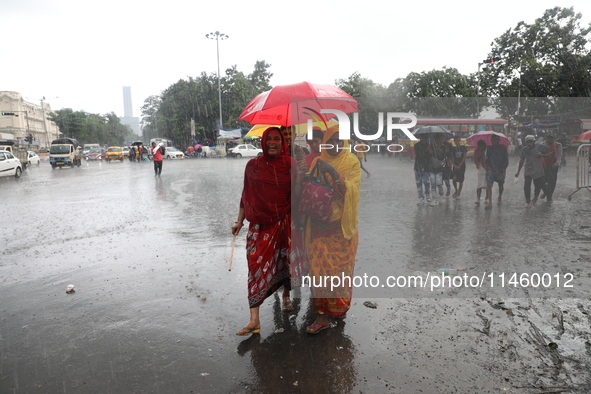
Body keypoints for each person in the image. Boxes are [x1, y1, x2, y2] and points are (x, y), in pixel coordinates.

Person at [231, 127, 303, 336]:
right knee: (255, 267)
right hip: (259, 225)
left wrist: (301, 170)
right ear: (263, 142)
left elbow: (298, 195)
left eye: (276, 139)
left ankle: (286, 296)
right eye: (268, 139)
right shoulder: (253, 166)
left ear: (283, 143)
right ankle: (254, 320)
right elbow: (247, 195)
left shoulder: (291, 164)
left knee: (286, 261)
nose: (272, 142)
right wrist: (239, 220)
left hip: (285, 223)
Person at [304, 125, 361, 334]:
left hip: (341, 228)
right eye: (331, 140)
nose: (335, 144)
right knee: (318, 270)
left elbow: (352, 192)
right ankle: (321, 315)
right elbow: (309, 190)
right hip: (319, 225)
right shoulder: (318, 161)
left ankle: (336, 308)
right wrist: (305, 172)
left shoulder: (352, 161)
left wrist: (334, 173)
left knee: (339, 273)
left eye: (339, 140)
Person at [515, 135, 549, 208]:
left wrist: (541, 154)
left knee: (539, 185)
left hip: (538, 169)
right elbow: (522, 160)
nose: (529, 144)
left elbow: (548, 155)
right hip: (528, 170)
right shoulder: (524, 149)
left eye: (531, 142)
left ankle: (537, 195)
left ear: (534, 141)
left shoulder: (540, 147)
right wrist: (518, 171)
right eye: (528, 142)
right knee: (527, 186)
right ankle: (528, 201)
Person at [485, 134, 509, 209]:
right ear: (491, 140)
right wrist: (485, 159)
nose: (495, 141)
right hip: (491, 170)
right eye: (493, 140)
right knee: (489, 186)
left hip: (500, 170)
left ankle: (499, 196)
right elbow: (487, 160)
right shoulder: (488, 148)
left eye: (496, 139)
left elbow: (506, 160)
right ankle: (490, 202)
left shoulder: (502, 148)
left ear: (499, 140)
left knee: (501, 185)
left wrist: (501, 169)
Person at [540, 134, 562, 202]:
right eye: (548, 138)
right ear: (546, 139)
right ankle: (546, 192)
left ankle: (549, 197)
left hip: (553, 166)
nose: (549, 139)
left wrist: (557, 162)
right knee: (542, 181)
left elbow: (560, 155)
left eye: (551, 138)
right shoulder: (542, 145)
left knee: (552, 182)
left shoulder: (558, 145)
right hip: (543, 165)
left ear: (553, 139)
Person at [427, 134, 447, 206]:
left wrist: (433, 152)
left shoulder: (443, 147)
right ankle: (434, 199)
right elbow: (427, 157)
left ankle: (441, 195)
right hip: (431, 168)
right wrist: (428, 151)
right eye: (440, 138)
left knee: (439, 183)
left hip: (439, 168)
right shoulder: (431, 146)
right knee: (433, 184)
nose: (442, 140)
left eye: (442, 138)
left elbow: (441, 157)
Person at [413, 134, 432, 204]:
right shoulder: (416, 146)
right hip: (418, 167)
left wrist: (430, 150)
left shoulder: (429, 145)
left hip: (427, 167)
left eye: (425, 138)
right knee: (419, 183)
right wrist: (426, 150)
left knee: (426, 182)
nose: (424, 139)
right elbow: (419, 156)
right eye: (423, 138)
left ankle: (427, 193)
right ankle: (421, 197)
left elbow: (430, 156)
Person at [450, 134, 467, 199]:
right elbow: (452, 157)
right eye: (456, 141)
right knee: (454, 179)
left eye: (458, 140)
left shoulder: (463, 147)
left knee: (461, 180)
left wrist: (460, 165)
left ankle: (459, 193)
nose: (457, 142)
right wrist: (454, 165)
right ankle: (456, 190)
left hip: (462, 166)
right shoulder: (453, 149)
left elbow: (464, 156)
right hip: (455, 166)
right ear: (454, 141)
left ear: (460, 140)